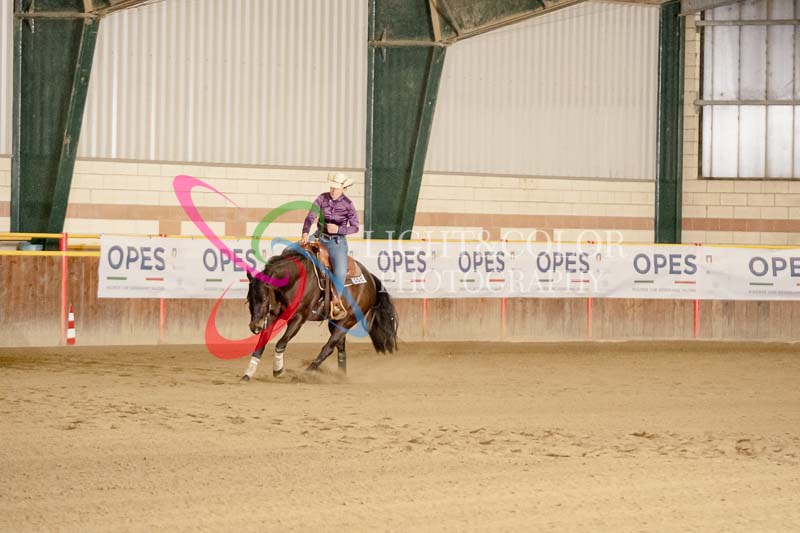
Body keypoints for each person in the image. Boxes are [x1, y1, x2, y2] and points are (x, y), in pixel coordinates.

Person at [301, 172, 359, 319]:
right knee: (293, 250)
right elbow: (310, 217)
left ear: (344, 188)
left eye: (336, 188)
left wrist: (339, 229)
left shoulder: (348, 205)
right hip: (318, 237)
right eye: (331, 187)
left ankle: (336, 301)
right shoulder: (322, 198)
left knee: (340, 272)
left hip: (337, 242)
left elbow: (355, 227)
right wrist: (305, 232)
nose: (333, 190)